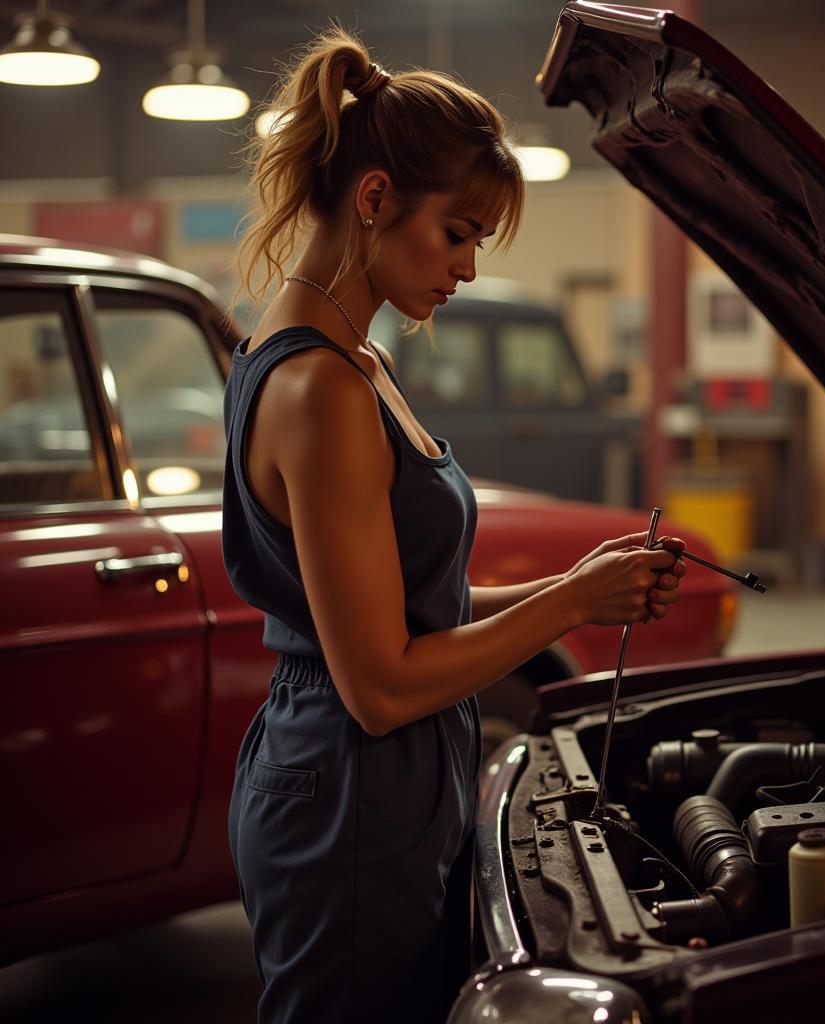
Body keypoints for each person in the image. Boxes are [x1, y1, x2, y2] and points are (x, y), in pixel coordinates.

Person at [221, 25, 687, 1024]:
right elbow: (381, 682)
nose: (468, 269)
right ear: (376, 198)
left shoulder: (355, 367)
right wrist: (569, 601)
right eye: (460, 233)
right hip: (348, 794)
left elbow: (401, 610)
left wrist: (581, 585)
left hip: (378, 785)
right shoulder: (318, 388)